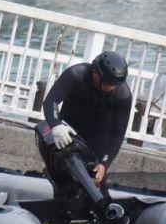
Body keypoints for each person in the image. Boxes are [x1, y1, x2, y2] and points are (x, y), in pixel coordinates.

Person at [39, 50, 132, 189]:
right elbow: (51, 101)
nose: (110, 88)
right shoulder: (75, 75)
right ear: (95, 72)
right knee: (63, 179)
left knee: (93, 185)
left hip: (98, 137)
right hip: (69, 130)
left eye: (115, 85)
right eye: (107, 83)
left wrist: (104, 163)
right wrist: (56, 125)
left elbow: (117, 134)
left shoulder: (123, 95)